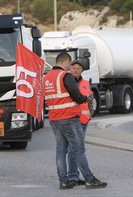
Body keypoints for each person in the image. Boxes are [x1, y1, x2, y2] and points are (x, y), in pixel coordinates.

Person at [43, 52, 107, 189]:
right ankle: (89, 179)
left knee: (61, 150)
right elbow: (77, 96)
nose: (69, 67)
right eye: (69, 64)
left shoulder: (46, 78)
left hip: (54, 118)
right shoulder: (66, 76)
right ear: (66, 61)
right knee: (78, 149)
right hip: (69, 117)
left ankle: (64, 181)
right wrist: (87, 98)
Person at [67, 60, 95, 185]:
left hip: (84, 120)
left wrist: (90, 114)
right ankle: (73, 176)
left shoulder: (85, 83)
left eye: (79, 68)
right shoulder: (67, 82)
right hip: (73, 120)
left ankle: (74, 176)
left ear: (82, 71)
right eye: (74, 67)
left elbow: (90, 100)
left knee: (76, 149)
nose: (76, 70)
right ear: (69, 69)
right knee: (75, 149)